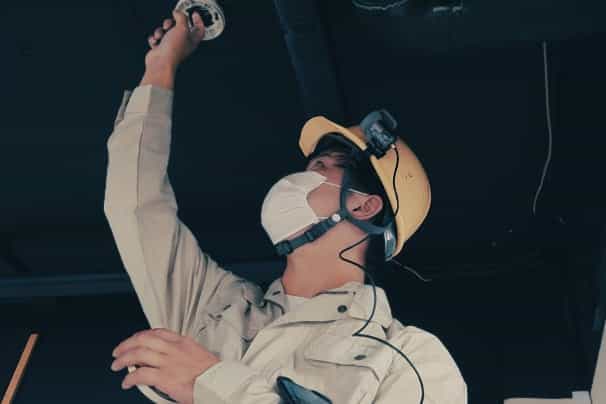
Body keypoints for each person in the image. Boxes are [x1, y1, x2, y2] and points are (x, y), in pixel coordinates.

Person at [104, 9, 467, 404]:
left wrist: (210, 382)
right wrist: (161, 67)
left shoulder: (407, 356)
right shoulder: (213, 305)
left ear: (363, 206)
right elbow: (135, 203)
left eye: (323, 168)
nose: (297, 180)